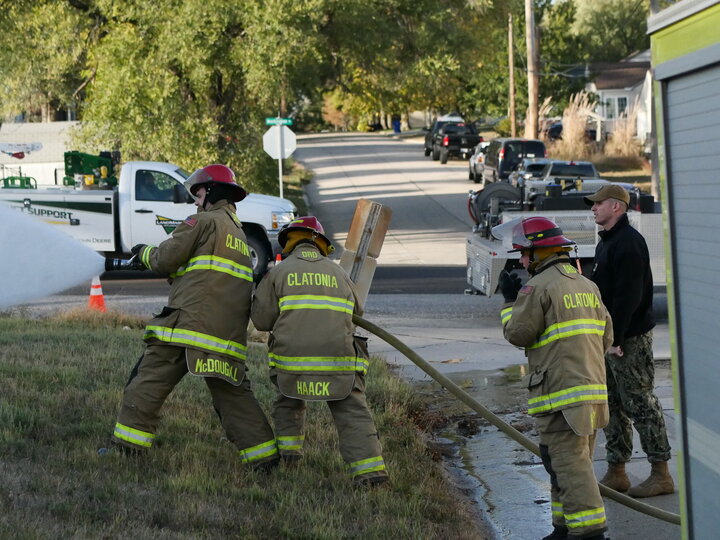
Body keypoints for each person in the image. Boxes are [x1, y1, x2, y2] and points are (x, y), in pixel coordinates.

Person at [103, 164, 279, 470]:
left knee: (146, 383)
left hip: (185, 328)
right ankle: (265, 459)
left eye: (197, 194)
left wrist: (144, 252)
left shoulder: (200, 221)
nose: (194, 201)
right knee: (234, 397)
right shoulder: (238, 234)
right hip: (225, 337)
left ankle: (127, 448)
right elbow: (205, 275)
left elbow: (165, 259)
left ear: (210, 192)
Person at [494, 216, 613, 540]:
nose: (521, 260)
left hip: (559, 397)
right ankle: (563, 528)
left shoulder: (539, 286)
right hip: (592, 395)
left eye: (524, 254)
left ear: (540, 253)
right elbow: (605, 339)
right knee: (565, 463)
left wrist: (509, 301)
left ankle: (589, 532)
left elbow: (519, 334)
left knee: (570, 467)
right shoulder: (586, 285)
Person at [250, 216, 388, 486]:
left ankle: (289, 459)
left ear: (289, 242)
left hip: (292, 364)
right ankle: (371, 475)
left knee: (288, 403)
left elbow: (262, 321)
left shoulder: (277, 273)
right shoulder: (340, 274)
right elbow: (357, 312)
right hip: (338, 363)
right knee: (351, 411)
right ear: (321, 244)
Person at [584, 184, 674, 498]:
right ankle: (617, 470)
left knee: (641, 404)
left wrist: (617, 338)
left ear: (617, 207)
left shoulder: (628, 244)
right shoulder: (606, 242)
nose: (593, 208)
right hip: (609, 339)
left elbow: (628, 298)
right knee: (612, 405)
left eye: (598, 204)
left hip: (628, 340)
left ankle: (661, 473)